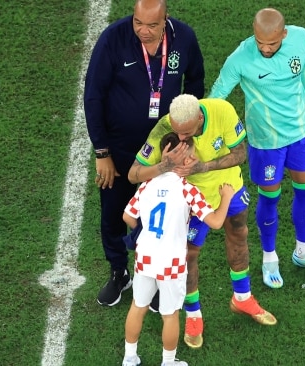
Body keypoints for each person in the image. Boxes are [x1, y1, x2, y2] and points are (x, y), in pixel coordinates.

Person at [128, 94, 277, 350]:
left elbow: (241, 153)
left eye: (186, 133)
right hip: (191, 199)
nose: (181, 138)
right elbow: (133, 174)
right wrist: (163, 166)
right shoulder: (166, 127)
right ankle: (193, 315)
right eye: (177, 131)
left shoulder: (222, 111)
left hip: (229, 188)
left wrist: (203, 168)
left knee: (239, 234)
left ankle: (242, 297)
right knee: (188, 254)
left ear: (199, 118)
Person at [83, 0, 205, 306]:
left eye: (152, 25)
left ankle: (154, 275)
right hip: (120, 149)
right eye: (139, 23)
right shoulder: (113, 38)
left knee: (163, 216)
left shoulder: (184, 38)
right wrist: (102, 152)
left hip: (166, 149)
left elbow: (196, 81)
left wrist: (186, 133)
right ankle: (118, 271)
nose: (144, 31)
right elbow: (93, 95)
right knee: (113, 213)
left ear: (166, 19)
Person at [208, 8, 305, 289]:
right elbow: (216, 97)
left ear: (283, 35)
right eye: (259, 42)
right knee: (270, 196)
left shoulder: (301, 38)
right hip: (265, 142)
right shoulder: (241, 58)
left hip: (300, 133)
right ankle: (269, 257)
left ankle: (303, 250)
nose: (264, 49)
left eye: (272, 44)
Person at [121, 132, 234, 366]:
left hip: (145, 257)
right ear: (184, 159)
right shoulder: (188, 189)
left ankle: (129, 358)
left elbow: (128, 216)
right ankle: (168, 362)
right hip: (171, 262)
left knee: (138, 307)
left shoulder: (146, 185)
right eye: (190, 155)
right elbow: (215, 222)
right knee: (169, 314)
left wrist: (146, 233)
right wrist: (226, 197)